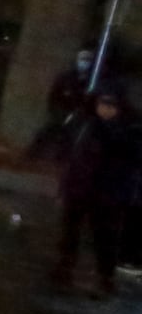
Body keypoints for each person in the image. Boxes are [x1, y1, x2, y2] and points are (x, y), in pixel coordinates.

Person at [52, 85, 140, 295]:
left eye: (111, 105)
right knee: (71, 230)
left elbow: (130, 161)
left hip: (107, 193)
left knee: (104, 236)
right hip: (80, 188)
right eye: (103, 104)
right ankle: (65, 265)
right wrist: (66, 187)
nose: (106, 109)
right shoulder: (86, 124)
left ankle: (105, 276)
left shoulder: (128, 130)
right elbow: (74, 155)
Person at [31, 49, 96, 159]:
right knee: (48, 130)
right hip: (61, 110)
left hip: (76, 112)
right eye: (83, 59)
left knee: (69, 136)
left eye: (88, 60)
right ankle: (33, 153)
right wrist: (54, 109)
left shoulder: (90, 81)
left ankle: (61, 158)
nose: (85, 63)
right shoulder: (66, 76)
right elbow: (55, 93)